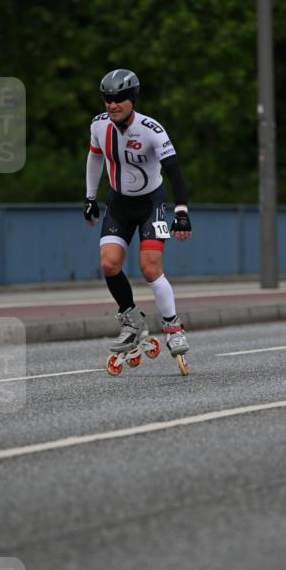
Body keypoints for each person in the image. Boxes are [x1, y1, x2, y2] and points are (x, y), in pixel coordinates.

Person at [83, 68, 192, 360]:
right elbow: (94, 157)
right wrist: (90, 197)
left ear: (132, 98)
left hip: (151, 204)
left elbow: (175, 173)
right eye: (107, 99)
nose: (112, 105)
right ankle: (132, 319)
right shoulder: (98, 126)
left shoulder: (151, 130)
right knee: (109, 264)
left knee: (150, 268)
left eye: (119, 99)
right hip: (118, 203)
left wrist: (181, 213)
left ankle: (173, 326)